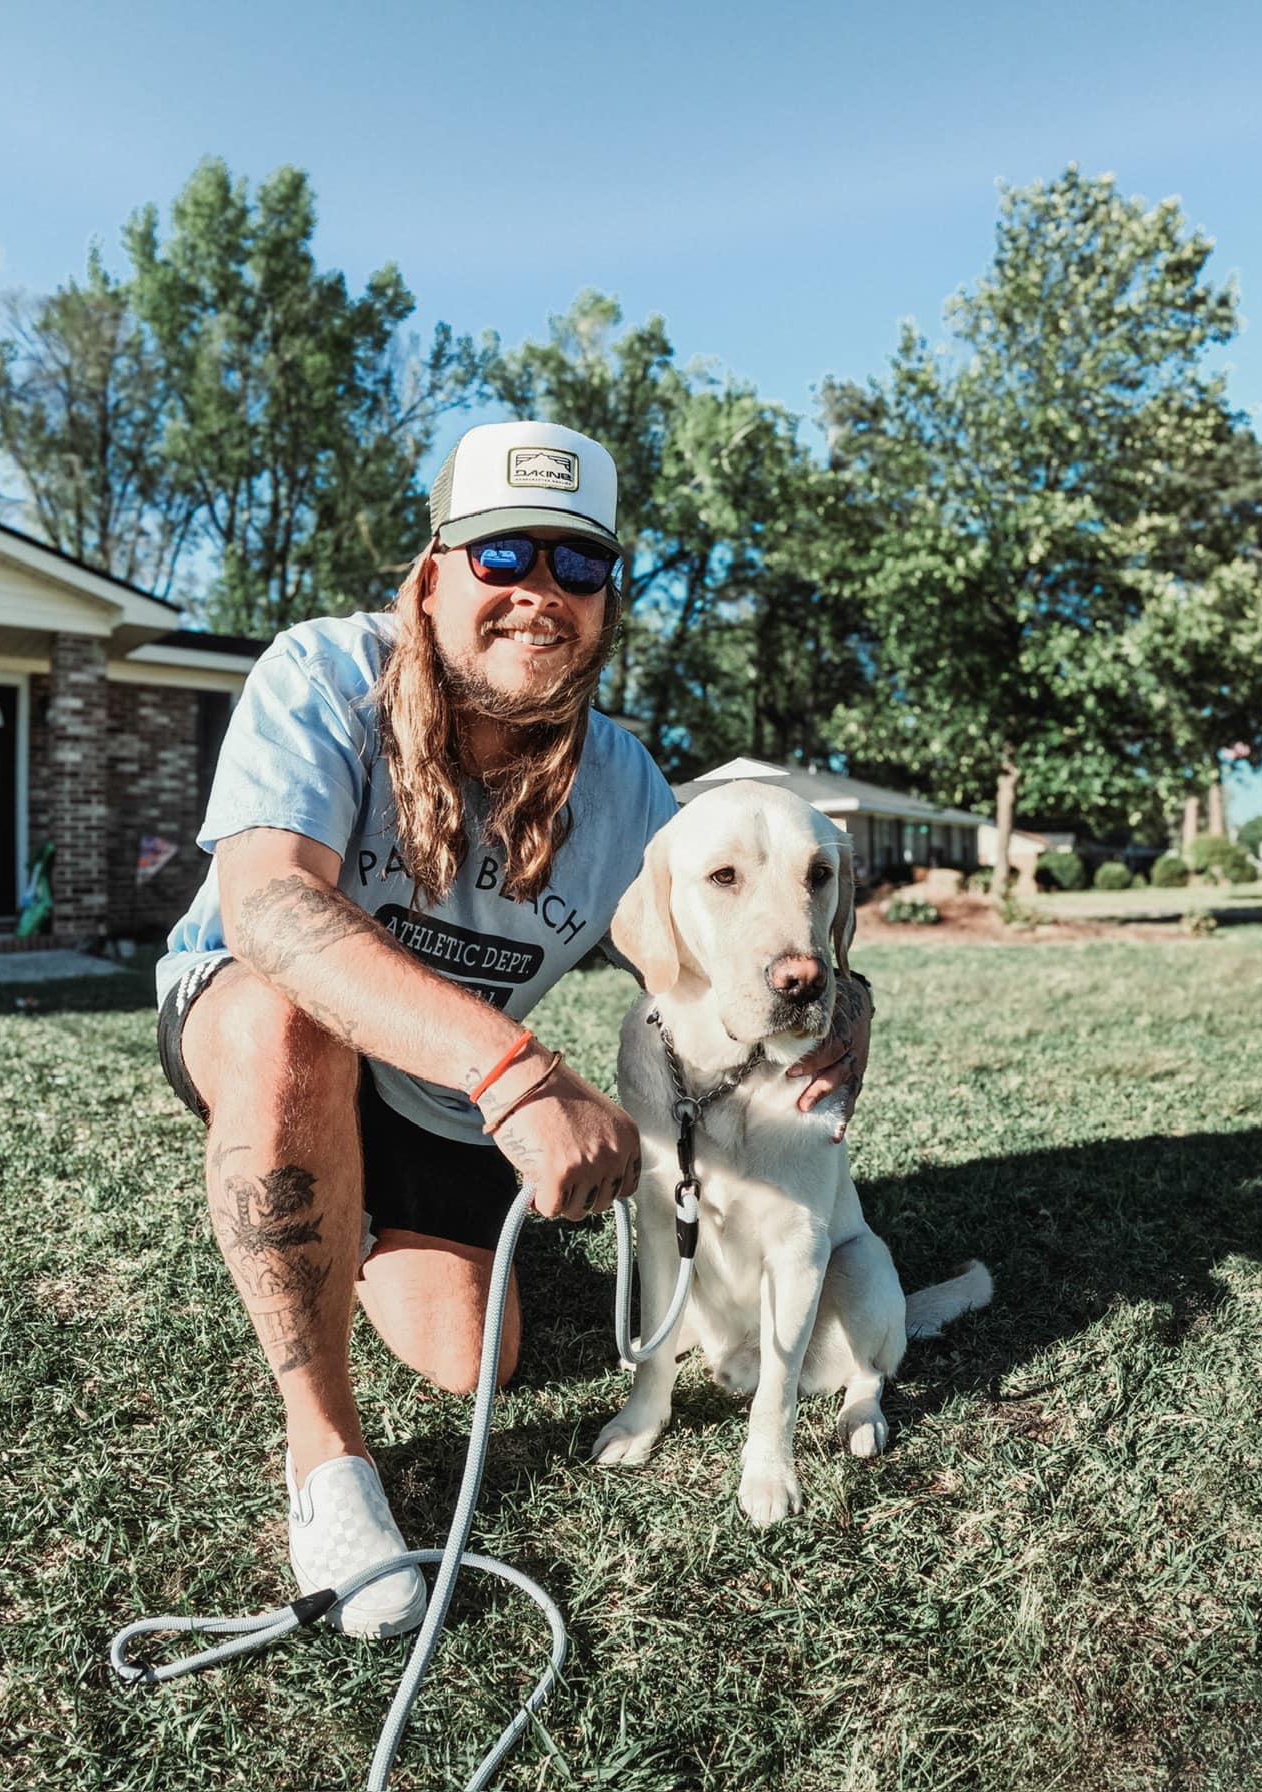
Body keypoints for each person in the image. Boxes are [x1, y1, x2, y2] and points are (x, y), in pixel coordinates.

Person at [154, 420, 870, 1637]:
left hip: (438, 1095)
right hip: (268, 1022)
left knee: (469, 1360)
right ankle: (326, 1462)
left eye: (577, 566)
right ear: (432, 573)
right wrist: (511, 1065)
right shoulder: (322, 673)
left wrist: (840, 994)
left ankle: (348, 1192)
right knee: (292, 1021)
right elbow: (269, 906)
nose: (541, 592)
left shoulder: (626, 790)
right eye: (503, 556)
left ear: (603, 603)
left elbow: (722, 910)